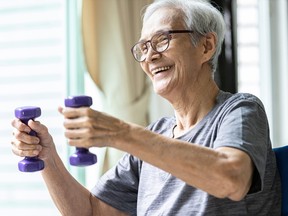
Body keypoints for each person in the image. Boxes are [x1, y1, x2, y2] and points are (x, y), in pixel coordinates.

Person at [11, 0, 281, 215]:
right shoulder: (155, 135)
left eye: (163, 39)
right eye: (143, 47)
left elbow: (231, 179)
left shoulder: (239, 110)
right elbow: (92, 211)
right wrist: (48, 158)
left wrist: (122, 134)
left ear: (206, 46)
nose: (150, 56)